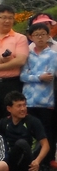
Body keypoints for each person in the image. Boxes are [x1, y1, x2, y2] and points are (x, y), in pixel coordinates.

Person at [22, 20, 56, 163]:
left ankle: (46, 161)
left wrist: (32, 76)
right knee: (29, 131)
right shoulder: (27, 55)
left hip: (46, 101)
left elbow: (50, 75)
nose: (40, 37)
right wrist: (38, 77)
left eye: (43, 34)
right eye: (37, 35)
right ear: (31, 37)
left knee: (47, 131)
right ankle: (29, 160)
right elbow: (22, 76)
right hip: (28, 100)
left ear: (48, 36)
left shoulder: (53, 55)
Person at [0, 92, 49, 171]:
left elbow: (46, 145)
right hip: (10, 168)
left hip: (29, 169)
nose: (23, 109)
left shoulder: (33, 122)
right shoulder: (4, 123)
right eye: (19, 106)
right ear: (9, 108)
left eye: (24, 105)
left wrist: (37, 161)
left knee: (21, 143)